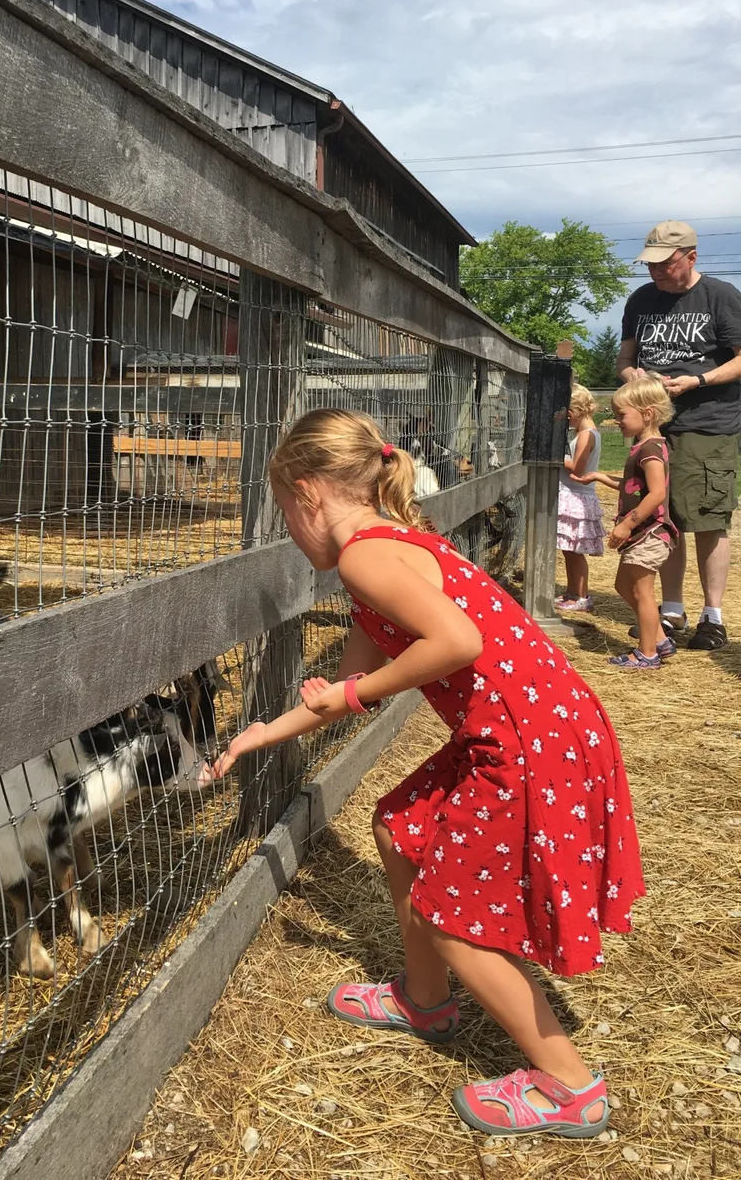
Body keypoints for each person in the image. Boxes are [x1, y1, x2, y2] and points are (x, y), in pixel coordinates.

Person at [203, 408, 644, 1139]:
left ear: (308, 492)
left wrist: (357, 693)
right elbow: (342, 690)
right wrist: (265, 731)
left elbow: (455, 640)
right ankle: (426, 998)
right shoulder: (385, 550)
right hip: (535, 725)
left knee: (455, 917)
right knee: (400, 827)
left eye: (284, 512)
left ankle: (571, 1087)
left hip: (524, 740)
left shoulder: (363, 557)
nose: (289, 530)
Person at [617, 220, 741, 650]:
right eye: (649, 264)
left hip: (708, 423)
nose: (656, 272)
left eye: (665, 264)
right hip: (656, 427)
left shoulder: (720, 297)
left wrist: (699, 381)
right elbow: (625, 358)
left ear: (691, 256)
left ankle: (713, 617)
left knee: (707, 518)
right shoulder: (640, 300)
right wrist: (633, 375)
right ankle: (671, 611)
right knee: (662, 520)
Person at [580, 376, 678, 669]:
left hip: (650, 532)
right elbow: (636, 487)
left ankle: (647, 653)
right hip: (642, 533)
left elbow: (657, 492)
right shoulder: (643, 445)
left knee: (642, 593)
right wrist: (599, 477)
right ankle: (660, 639)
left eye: (622, 414)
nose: (616, 420)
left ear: (647, 413)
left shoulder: (650, 449)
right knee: (624, 585)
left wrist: (627, 524)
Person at [555, 386, 604, 612]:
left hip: (577, 495)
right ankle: (573, 592)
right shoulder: (583, 433)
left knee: (575, 551)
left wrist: (554, 456)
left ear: (577, 409)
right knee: (569, 549)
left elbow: (577, 467)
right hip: (572, 494)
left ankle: (582, 596)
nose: (567, 417)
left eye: (569, 412)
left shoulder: (586, 435)